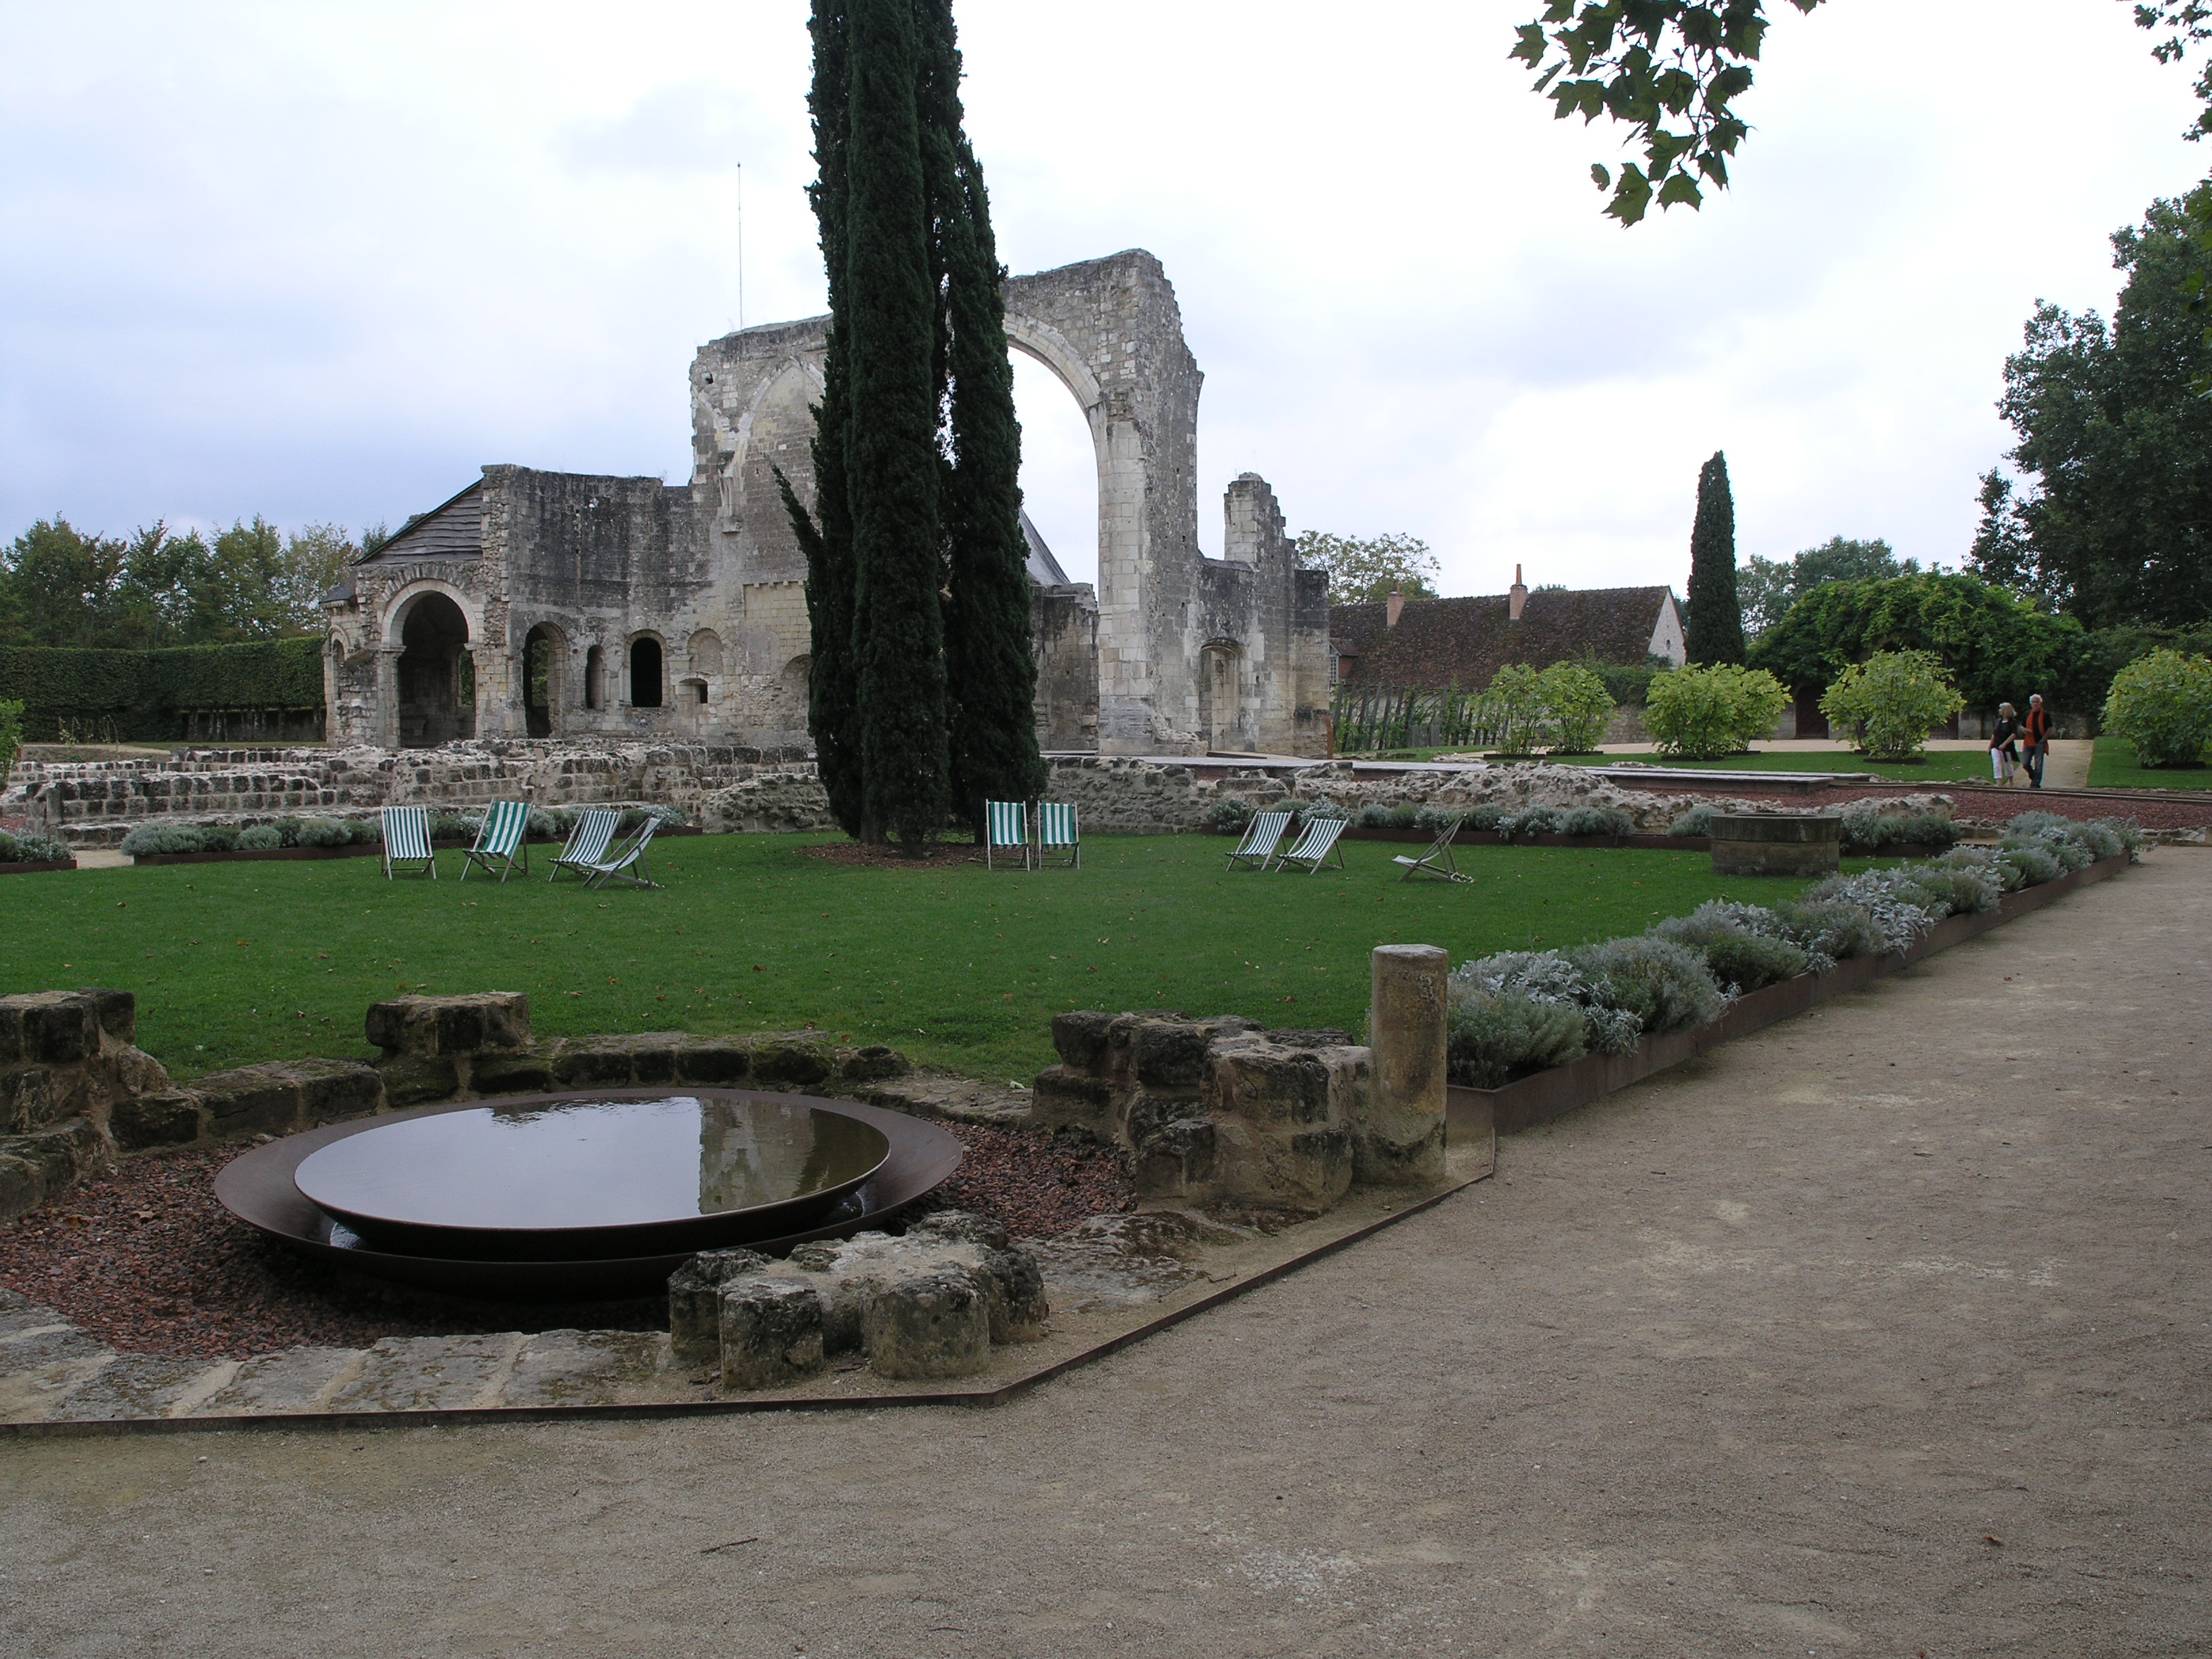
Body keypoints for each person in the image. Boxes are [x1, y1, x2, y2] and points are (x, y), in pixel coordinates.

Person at [2021, 693, 2051, 789]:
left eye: (2037, 702)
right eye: (2033, 702)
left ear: (2040, 703)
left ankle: (2036, 784)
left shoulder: (2045, 714)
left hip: (2039, 742)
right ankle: (2033, 777)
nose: (2035, 704)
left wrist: (2043, 740)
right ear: (2031, 704)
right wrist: (2024, 730)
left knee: (2039, 764)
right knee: (2025, 763)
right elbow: (2022, 726)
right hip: (2028, 741)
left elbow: (2050, 728)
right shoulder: (2026, 714)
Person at [1989, 701, 2020, 785]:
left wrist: (2005, 744)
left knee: (2008, 765)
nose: (1999, 711)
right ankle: (1998, 782)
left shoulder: (2012, 722)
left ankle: (2011, 781)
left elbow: (2014, 734)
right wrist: (1991, 744)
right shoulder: (1998, 721)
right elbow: (1994, 733)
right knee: (1996, 764)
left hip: (2007, 748)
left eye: (2001, 709)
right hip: (1996, 746)